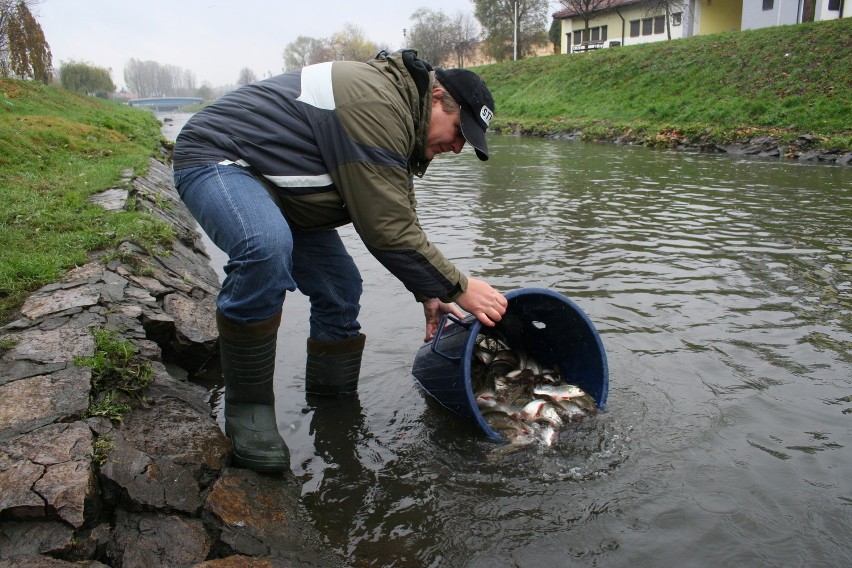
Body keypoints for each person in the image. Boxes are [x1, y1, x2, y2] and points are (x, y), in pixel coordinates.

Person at [172, 49, 508, 473]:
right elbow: (385, 229)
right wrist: (460, 287)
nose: (459, 148)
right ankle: (248, 410)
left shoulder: (401, 120)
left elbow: (400, 216)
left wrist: (430, 291)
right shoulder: (377, 103)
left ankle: (332, 405)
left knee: (341, 288)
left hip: (282, 191)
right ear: (438, 97)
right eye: (461, 131)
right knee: (264, 247)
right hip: (220, 160)